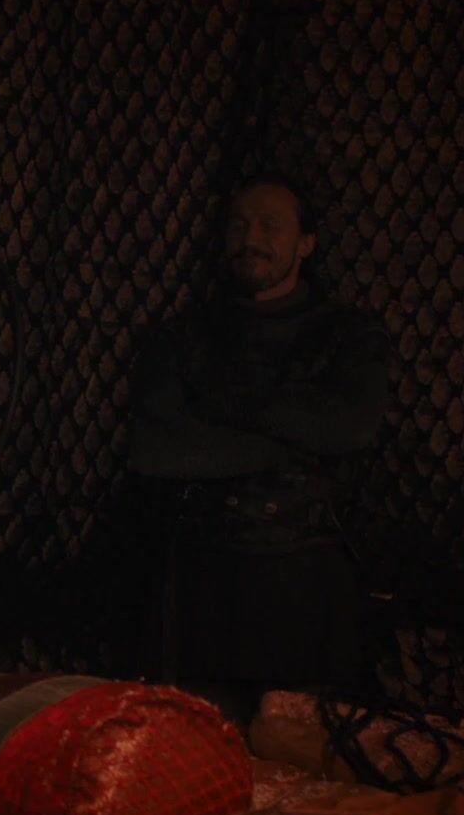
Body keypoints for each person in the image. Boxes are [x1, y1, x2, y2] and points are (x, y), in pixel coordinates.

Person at [128, 176, 390, 722]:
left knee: (304, 732)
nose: (251, 239)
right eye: (239, 225)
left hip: (306, 581)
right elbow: (157, 451)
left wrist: (226, 409)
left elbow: (348, 427)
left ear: (305, 242)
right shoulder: (185, 336)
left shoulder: (346, 335)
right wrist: (285, 446)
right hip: (203, 581)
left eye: (271, 226)